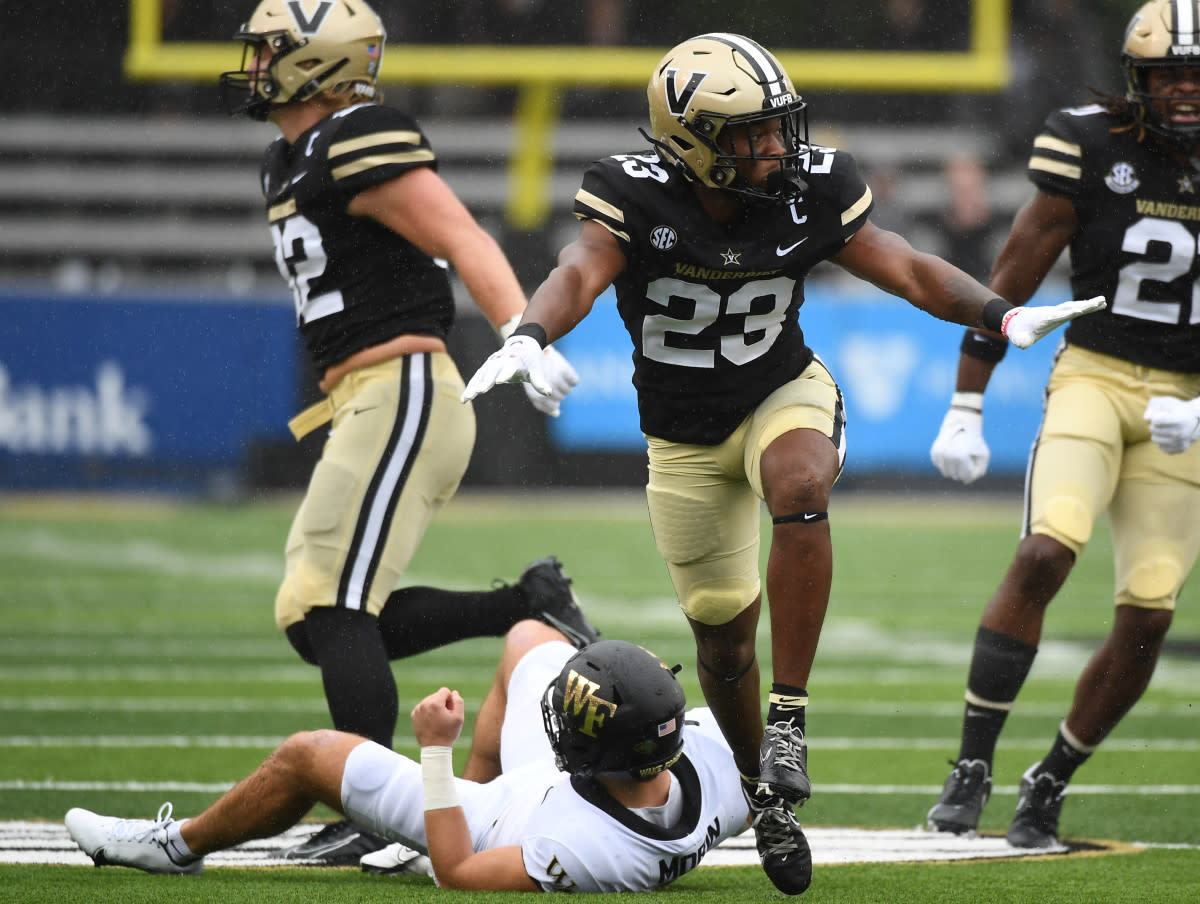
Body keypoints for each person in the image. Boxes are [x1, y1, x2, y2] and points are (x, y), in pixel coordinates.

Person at [460, 32, 1104, 894]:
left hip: (781, 392)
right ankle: (766, 795)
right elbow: (580, 268)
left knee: (800, 483)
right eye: (750, 134)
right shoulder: (630, 192)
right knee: (724, 648)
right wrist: (532, 330)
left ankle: (790, 718)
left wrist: (998, 313)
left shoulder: (811, 189)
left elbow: (905, 266)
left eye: (776, 128)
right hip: (683, 439)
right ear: (689, 139)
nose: (775, 148)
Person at [216, 0, 592, 864]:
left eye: (271, 50)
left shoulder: (356, 134)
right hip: (367, 397)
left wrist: (520, 331)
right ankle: (526, 604)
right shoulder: (288, 158)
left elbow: (462, 235)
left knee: (330, 600)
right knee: (317, 616)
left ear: (318, 63)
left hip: (404, 389)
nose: (254, 64)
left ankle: (370, 806)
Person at [925, 0, 1200, 849]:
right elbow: (1015, 273)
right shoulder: (1089, 141)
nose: (1186, 94)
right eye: (1170, 78)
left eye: (1199, 78)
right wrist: (967, 401)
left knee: (1150, 610)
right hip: (1096, 372)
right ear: (1137, 82)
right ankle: (972, 765)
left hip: (1186, 399)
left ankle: (1050, 780)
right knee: (1047, 547)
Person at [65, 620, 752, 892]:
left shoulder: (580, 848)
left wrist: (434, 754)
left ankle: (174, 845)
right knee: (526, 638)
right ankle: (438, 807)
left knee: (309, 754)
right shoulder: (719, 765)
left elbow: (457, 874)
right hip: (569, 786)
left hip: (489, 822)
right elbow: (772, 774)